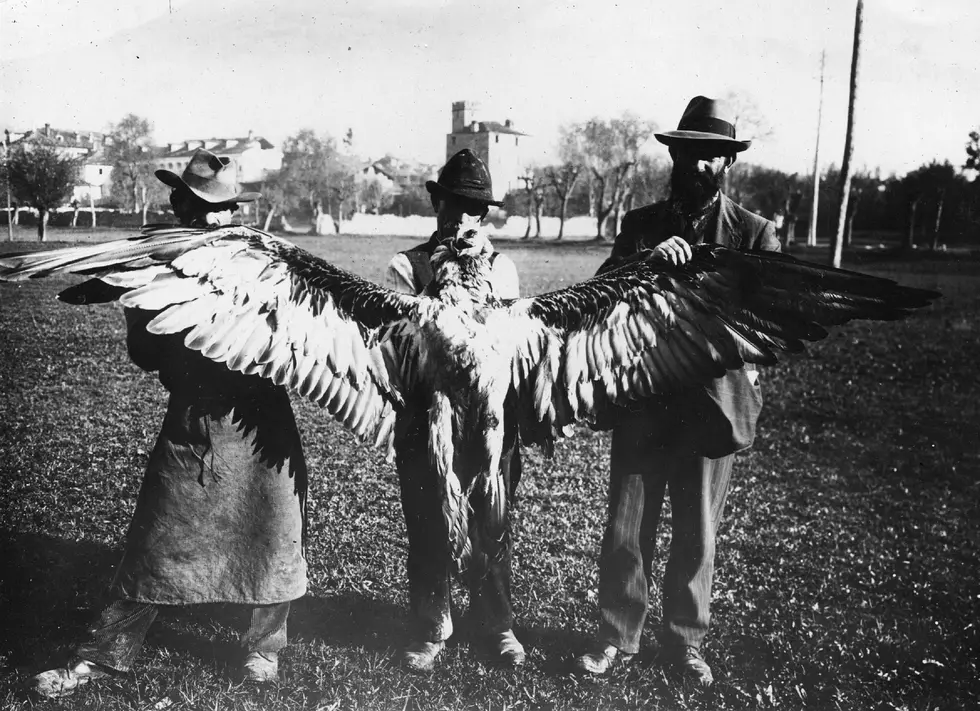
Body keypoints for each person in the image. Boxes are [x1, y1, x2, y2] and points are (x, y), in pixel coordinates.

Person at [33, 150, 309, 698]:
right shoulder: (153, 262)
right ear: (178, 203)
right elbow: (146, 352)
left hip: (263, 422)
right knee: (158, 537)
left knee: (277, 534)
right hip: (196, 419)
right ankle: (100, 655)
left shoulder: (266, 262)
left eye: (224, 209)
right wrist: (165, 304)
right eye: (202, 208)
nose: (213, 221)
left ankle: (262, 649)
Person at [574, 97, 781, 685]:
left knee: (698, 529)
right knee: (626, 524)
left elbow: (766, 325)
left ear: (728, 163)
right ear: (674, 155)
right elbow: (596, 299)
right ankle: (616, 635)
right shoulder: (642, 227)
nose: (698, 166)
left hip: (713, 408)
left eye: (711, 156)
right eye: (689, 153)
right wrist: (644, 266)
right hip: (643, 400)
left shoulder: (754, 233)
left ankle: (686, 641)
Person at [385, 148, 525, 672]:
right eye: (454, 205)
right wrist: (443, 277)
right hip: (427, 415)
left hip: (489, 418)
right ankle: (430, 627)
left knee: (493, 517)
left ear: (483, 214)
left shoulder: (502, 267)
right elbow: (410, 341)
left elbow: (504, 336)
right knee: (427, 520)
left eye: (474, 209)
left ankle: (498, 626)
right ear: (437, 202)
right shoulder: (408, 265)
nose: (462, 218)